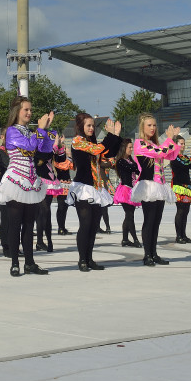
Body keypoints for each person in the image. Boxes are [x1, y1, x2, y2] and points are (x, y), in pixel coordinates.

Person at [0, 96, 56, 276]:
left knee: (29, 225)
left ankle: (30, 263)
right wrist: (40, 130)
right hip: (16, 180)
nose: (29, 113)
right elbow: (29, 147)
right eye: (26, 109)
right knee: (15, 224)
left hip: (31, 181)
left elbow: (45, 149)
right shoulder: (12, 131)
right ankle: (15, 263)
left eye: (30, 109)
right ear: (17, 111)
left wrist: (46, 129)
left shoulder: (31, 132)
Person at [68, 112, 122, 272]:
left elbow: (108, 155)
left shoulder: (93, 142)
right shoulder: (77, 141)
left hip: (96, 188)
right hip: (83, 188)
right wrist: (110, 136)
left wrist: (116, 137)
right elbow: (97, 150)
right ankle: (82, 260)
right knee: (85, 225)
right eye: (89, 125)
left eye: (93, 125)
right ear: (80, 126)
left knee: (93, 226)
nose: (92, 128)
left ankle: (89, 259)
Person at [132, 115, 181, 266]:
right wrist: (169, 139)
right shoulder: (140, 143)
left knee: (156, 221)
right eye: (149, 125)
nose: (152, 128)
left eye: (154, 125)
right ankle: (147, 255)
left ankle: (154, 253)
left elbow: (171, 155)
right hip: (148, 186)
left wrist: (173, 139)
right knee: (149, 219)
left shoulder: (155, 144)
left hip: (160, 185)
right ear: (142, 127)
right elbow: (160, 152)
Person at [170, 136, 191, 244]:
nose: (183, 145)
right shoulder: (174, 156)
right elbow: (185, 165)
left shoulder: (185, 157)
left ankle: (184, 235)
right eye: (181, 143)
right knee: (181, 210)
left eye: (184, 143)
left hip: (187, 186)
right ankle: (178, 236)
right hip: (179, 186)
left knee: (186, 211)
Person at [114, 138, 142, 249]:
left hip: (132, 190)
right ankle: (135, 239)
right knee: (130, 215)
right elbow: (132, 168)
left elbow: (138, 170)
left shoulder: (131, 161)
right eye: (129, 147)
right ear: (124, 148)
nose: (131, 149)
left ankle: (125, 239)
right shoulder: (121, 161)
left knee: (129, 215)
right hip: (125, 190)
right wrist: (137, 165)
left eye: (132, 147)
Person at [34, 138, 60, 253]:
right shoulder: (36, 151)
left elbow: (59, 158)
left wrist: (58, 147)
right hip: (39, 182)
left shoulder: (48, 151)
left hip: (49, 181)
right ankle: (41, 241)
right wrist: (55, 145)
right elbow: (45, 155)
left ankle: (47, 241)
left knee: (46, 213)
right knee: (42, 212)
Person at [53, 140, 74, 235]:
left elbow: (73, 167)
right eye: (64, 148)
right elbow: (64, 166)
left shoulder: (66, 159)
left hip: (67, 184)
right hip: (61, 184)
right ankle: (60, 228)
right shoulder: (58, 159)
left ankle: (63, 227)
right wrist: (69, 157)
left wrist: (70, 156)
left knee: (65, 207)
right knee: (61, 206)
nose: (66, 150)